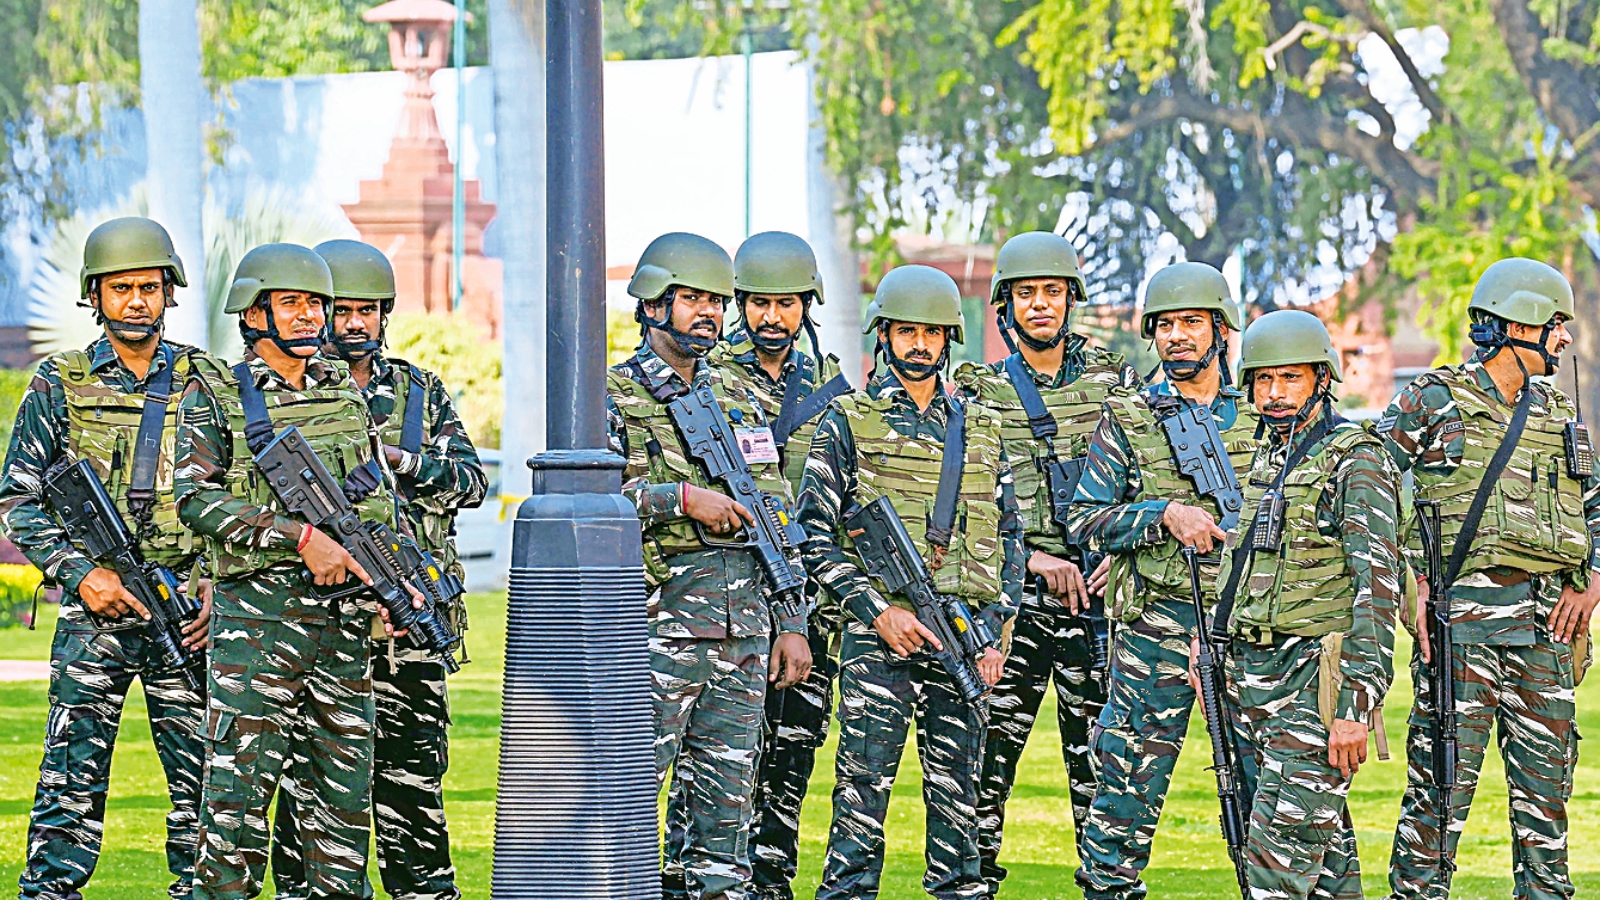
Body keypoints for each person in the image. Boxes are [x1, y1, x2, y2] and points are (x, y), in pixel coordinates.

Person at [176, 243, 408, 900]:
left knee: (341, 820)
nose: (308, 316)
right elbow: (194, 499)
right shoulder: (218, 393)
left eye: (315, 304)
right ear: (254, 313)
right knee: (236, 812)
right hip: (257, 632)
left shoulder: (342, 390)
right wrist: (299, 537)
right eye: (291, 303)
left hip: (342, 633)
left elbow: (373, 500)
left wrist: (389, 582)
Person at [0, 217, 212, 900]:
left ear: (169, 292)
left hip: (185, 616)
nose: (136, 301)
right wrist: (80, 573)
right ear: (96, 295)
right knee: (70, 783)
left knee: (206, 786)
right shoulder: (58, 383)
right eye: (121, 288)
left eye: (149, 287)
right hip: (94, 618)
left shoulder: (207, 381)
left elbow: (240, 495)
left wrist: (214, 586)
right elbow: (17, 498)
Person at [268, 239, 487, 900]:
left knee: (412, 779)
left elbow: (472, 482)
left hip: (409, 624)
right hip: (319, 624)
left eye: (368, 311)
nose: (354, 324)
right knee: (309, 783)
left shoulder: (419, 391)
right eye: (343, 310)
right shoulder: (288, 393)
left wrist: (404, 462)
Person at [799, 264, 1023, 900]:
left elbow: (1012, 537)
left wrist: (994, 632)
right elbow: (812, 537)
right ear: (884, 335)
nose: (919, 345)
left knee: (960, 807)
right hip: (881, 641)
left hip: (965, 641)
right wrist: (877, 611)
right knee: (860, 798)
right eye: (906, 332)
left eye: (931, 333)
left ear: (948, 338)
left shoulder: (983, 428)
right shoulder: (846, 420)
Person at [1381, 258, 1600, 900]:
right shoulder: (1432, 399)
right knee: (1439, 798)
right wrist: (1407, 582)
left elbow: (1596, 507)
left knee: (1547, 805)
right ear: (1520, 324)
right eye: (1556, 323)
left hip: (1545, 633)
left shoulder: (1559, 412)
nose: (1565, 337)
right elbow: (1365, 486)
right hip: (1460, 632)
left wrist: (1592, 581)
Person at [605, 231, 813, 900]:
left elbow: (775, 510)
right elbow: (588, 503)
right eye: (692, 298)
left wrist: (791, 622)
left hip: (744, 632)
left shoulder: (737, 396)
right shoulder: (612, 395)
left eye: (717, 302)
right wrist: (682, 499)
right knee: (624, 809)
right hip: (655, 632)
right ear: (652, 304)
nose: (709, 313)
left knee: (728, 827)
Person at [664, 231, 851, 900]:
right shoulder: (709, 379)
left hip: (804, 602)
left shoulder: (833, 391)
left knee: (787, 766)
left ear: (808, 306)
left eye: (787, 304)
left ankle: (768, 888)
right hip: (716, 601)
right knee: (703, 776)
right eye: (760, 303)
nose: (773, 317)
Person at [949, 231, 1137, 893]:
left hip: (1098, 604)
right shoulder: (977, 391)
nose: (1039, 305)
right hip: (1014, 609)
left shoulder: (1114, 383)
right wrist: (1030, 559)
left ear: (1069, 300)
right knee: (983, 772)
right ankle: (974, 885)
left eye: (1051, 292)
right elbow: (965, 502)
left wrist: (1121, 556)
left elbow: (1144, 480)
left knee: (1106, 774)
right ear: (1005, 305)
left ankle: (1107, 887)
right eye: (1025, 293)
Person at [1067, 261, 1257, 899]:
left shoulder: (1262, 410)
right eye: (1165, 325)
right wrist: (1162, 515)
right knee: (1124, 795)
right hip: (1155, 627)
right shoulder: (1128, 416)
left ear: (1221, 330)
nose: (1177, 336)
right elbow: (1085, 519)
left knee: (1270, 792)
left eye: (1191, 322)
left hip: (1251, 627)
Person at [1201, 309, 1401, 900]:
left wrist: (1355, 707)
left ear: (1322, 378)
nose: (1275, 393)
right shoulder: (1264, 458)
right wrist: (1209, 644)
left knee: (1273, 870)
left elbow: (1377, 587)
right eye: (1263, 379)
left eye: (1290, 378)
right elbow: (1239, 565)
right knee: (1327, 873)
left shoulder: (1355, 460)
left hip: (1315, 685)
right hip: (1247, 681)